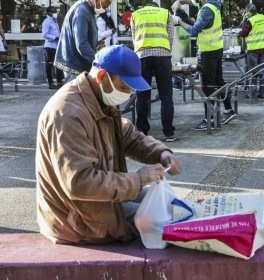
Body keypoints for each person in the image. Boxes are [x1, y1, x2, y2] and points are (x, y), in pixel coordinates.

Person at [36, 45, 182, 244]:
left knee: (171, 204)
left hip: (94, 203)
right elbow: (79, 182)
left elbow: (130, 137)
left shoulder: (98, 100)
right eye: (124, 87)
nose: (128, 93)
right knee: (166, 219)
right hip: (77, 219)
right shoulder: (68, 115)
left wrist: (162, 153)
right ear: (102, 76)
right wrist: (138, 179)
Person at [173, 0, 237, 131]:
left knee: (207, 85)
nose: (192, 1)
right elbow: (196, 7)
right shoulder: (212, 4)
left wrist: (179, 21)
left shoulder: (206, 10)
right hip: (216, 49)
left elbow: (194, 30)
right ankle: (228, 110)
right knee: (218, 80)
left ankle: (210, 119)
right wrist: (181, 1)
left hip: (209, 52)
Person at [131, 2, 176, 142]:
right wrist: (167, 53)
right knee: (166, 95)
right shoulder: (165, 13)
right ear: (156, 7)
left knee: (142, 95)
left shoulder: (135, 14)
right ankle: (169, 133)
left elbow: (134, 37)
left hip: (142, 56)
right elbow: (170, 36)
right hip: (162, 55)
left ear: (145, 7)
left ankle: (142, 131)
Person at [54, 0, 112, 83]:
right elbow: (81, 44)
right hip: (74, 65)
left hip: (77, 63)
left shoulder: (88, 10)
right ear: (97, 0)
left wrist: (95, 42)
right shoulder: (82, 11)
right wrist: (98, 62)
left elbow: (81, 38)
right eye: (105, 7)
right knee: (76, 96)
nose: (105, 10)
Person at [238, 3, 264, 99]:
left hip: (253, 49)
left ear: (250, 11)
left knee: (253, 72)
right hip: (263, 47)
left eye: (247, 11)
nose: (246, 13)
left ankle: (252, 93)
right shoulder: (263, 17)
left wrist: (238, 32)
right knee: (263, 71)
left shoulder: (250, 21)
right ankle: (263, 93)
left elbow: (244, 34)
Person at [42, 7, 64, 89]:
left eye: (56, 11)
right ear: (49, 13)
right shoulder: (47, 22)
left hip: (57, 45)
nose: (55, 13)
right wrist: (55, 37)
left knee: (59, 63)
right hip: (50, 46)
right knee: (50, 64)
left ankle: (59, 81)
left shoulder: (54, 21)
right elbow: (44, 34)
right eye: (53, 12)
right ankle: (50, 83)